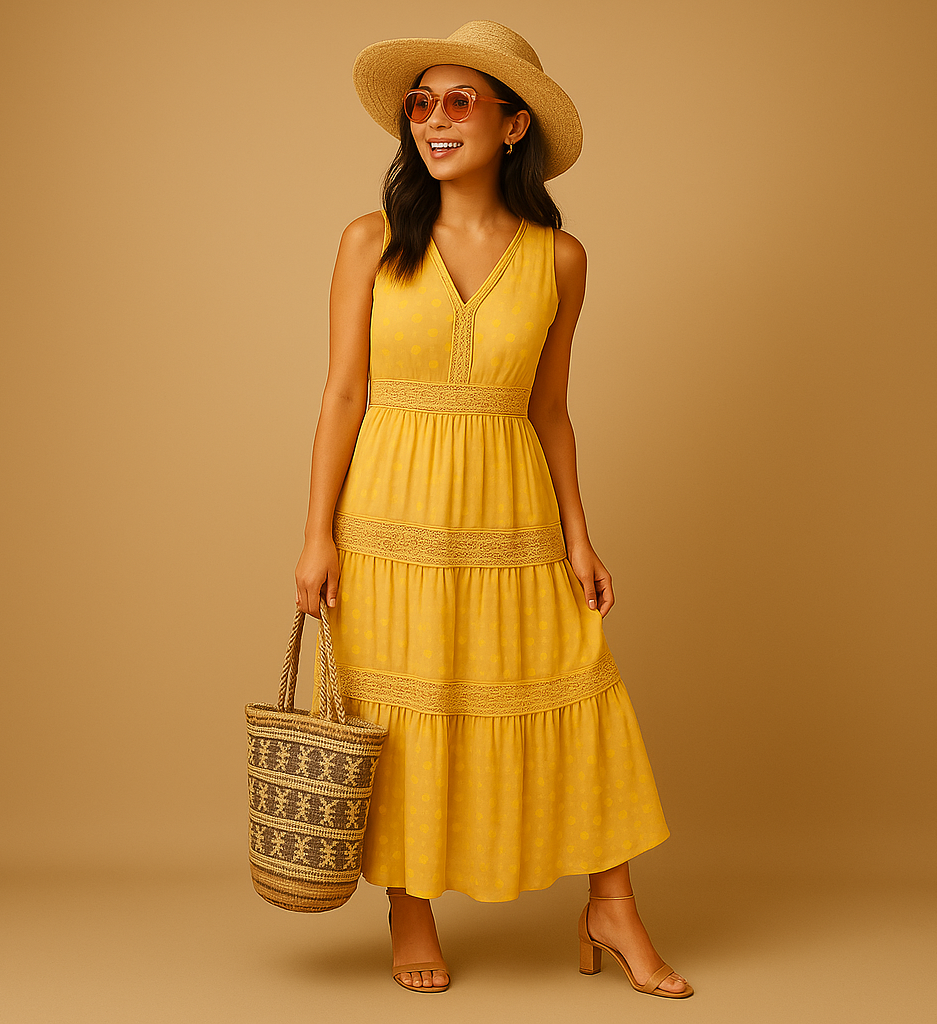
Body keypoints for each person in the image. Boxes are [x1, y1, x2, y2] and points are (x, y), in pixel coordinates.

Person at [294, 20, 692, 998]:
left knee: (574, 689)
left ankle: (612, 905)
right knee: (404, 704)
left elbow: (550, 408)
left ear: (514, 126)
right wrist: (314, 536)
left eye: (458, 101)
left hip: (512, 510)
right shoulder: (369, 241)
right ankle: (410, 906)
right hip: (389, 512)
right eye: (420, 104)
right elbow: (341, 392)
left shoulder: (561, 258)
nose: (434, 120)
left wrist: (580, 537)